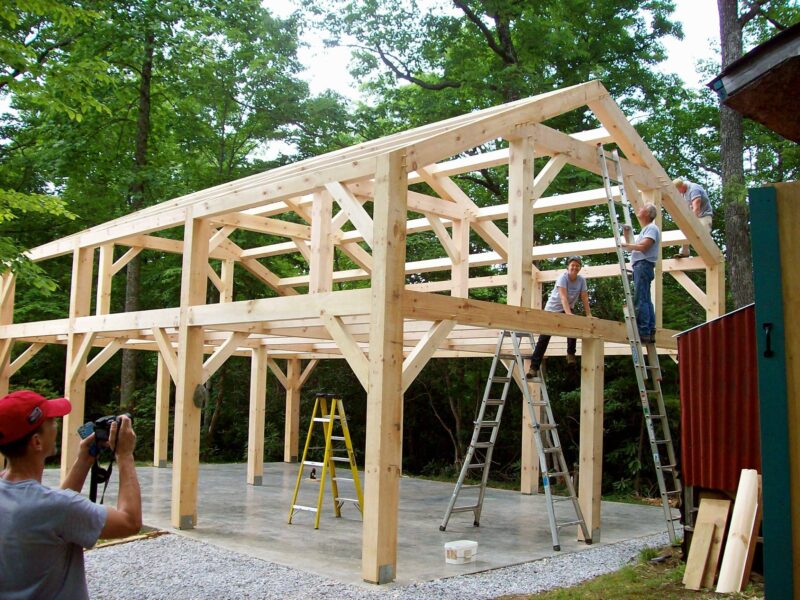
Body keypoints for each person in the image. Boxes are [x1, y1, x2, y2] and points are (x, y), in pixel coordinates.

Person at [0, 390, 142, 599]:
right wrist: (125, 455)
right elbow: (130, 521)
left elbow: (55, 515)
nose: (56, 425)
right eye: (51, 421)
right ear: (37, 442)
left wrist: (84, 461)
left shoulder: (18, 496)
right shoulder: (55, 507)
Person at [528, 255, 591, 376]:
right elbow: (563, 297)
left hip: (567, 309)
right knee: (544, 339)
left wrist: (589, 315)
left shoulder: (581, 280)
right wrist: (568, 314)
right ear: (568, 267)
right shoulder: (563, 277)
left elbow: (584, 297)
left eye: (577, 265)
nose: (575, 267)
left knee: (574, 326)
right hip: (552, 310)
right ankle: (533, 368)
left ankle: (571, 354)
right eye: (572, 265)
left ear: (580, 268)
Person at [621, 203, 660, 344]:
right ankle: (649, 331)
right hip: (643, 266)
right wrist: (627, 235)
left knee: (641, 299)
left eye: (642, 208)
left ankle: (644, 331)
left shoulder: (651, 228)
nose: (638, 209)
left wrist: (624, 245)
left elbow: (643, 247)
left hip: (643, 265)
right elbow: (634, 249)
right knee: (645, 299)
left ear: (648, 214)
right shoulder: (645, 230)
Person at [672, 178, 713, 258]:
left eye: (678, 190)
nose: (678, 192)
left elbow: (696, 208)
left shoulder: (694, 189)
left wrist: (690, 221)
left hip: (704, 216)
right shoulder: (683, 192)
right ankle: (684, 252)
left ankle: (708, 254)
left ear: (681, 186)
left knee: (704, 234)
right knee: (686, 230)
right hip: (694, 215)